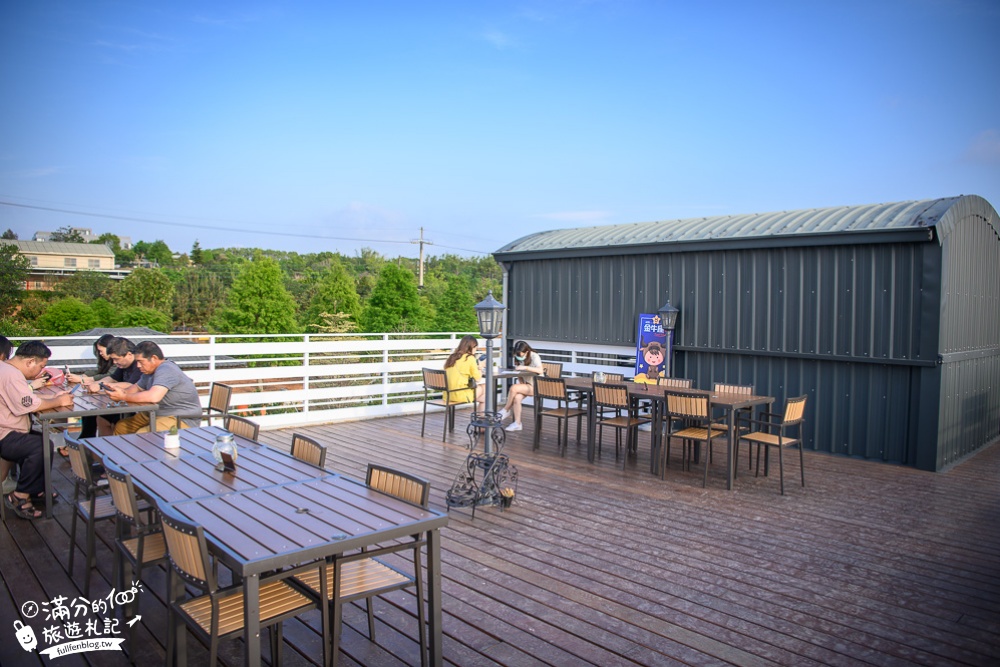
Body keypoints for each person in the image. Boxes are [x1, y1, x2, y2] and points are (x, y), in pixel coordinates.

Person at [0, 341, 74, 519]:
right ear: (30, 361)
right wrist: (59, 401)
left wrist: (48, 397)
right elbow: (28, 405)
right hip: (5, 434)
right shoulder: (11, 374)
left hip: (10, 428)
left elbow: (21, 397)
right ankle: (20, 496)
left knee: (43, 443)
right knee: (39, 447)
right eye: (41, 366)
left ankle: (36, 489)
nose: (41, 371)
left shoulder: (6, 369)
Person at [108, 341, 202, 434]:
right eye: (137, 362)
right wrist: (119, 392)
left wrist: (123, 397)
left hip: (180, 417)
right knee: (122, 427)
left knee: (143, 435)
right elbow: (136, 388)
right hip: (156, 413)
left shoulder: (166, 369)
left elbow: (153, 397)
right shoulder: (149, 371)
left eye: (140, 361)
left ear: (153, 358)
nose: (138, 365)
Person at [76, 337, 143, 437]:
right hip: (123, 405)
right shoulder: (123, 365)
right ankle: (100, 447)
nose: (115, 362)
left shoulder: (138, 365)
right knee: (99, 416)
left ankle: (94, 443)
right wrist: (97, 383)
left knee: (97, 413)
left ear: (129, 354)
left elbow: (131, 385)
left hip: (135, 408)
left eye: (116, 359)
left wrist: (101, 385)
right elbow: (112, 378)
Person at [497, 340, 544, 432]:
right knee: (517, 398)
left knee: (514, 388)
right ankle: (517, 423)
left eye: (521, 355)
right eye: (517, 355)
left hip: (537, 385)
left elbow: (540, 370)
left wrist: (525, 367)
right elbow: (519, 373)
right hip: (527, 385)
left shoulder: (534, 356)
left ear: (526, 352)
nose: (519, 357)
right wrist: (521, 382)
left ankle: (506, 410)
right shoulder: (518, 357)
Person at [443, 335, 485, 414]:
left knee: (484, 398)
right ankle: (481, 422)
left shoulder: (452, 357)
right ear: (471, 347)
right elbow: (478, 378)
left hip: (448, 395)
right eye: (475, 348)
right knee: (486, 389)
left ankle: (481, 421)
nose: (476, 350)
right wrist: (480, 367)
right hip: (460, 394)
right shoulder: (470, 358)